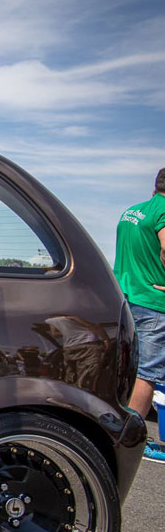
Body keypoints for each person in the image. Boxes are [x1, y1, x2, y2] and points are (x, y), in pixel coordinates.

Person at [113, 167, 165, 463]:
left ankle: (116, 425)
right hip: (155, 302)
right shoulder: (164, 212)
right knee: (148, 373)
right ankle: (131, 437)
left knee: (128, 367)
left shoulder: (131, 212)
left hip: (126, 295)